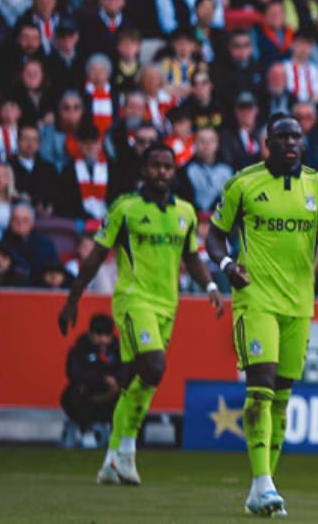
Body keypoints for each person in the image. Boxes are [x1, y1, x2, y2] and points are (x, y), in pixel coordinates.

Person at [205, 114, 318, 517]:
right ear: (266, 143)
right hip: (256, 300)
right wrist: (228, 265)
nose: (291, 143)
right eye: (282, 137)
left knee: (281, 399)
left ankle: (262, 484)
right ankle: (263, 483)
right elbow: (214, 235)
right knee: (260, 389)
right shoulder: (243, 183)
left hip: (299, 305)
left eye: (297, 137)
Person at [58, 143, 222, 485]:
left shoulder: (186, 213)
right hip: (134, 301)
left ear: (174, 171)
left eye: (167, 166)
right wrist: (73, 299)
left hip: (168, 305)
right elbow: (95, 255)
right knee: (153, 365)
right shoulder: (125, 208)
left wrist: (209, 287)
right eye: (155, 165)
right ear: (144, 170)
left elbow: (191, 257)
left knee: (143, 382)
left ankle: (118, 458)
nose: (162, 172)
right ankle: (121, 381)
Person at [60, 313, 122, 449]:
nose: (102, 340)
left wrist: (117, 382)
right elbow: (74, 373)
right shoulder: (80, 348)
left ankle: (118, 435)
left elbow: (125, 370)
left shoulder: (118, 349)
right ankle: (86, 431)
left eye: (106, 336)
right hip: (86, 397)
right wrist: (102, 379)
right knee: (76, 391)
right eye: (98, 336)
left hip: (109, 398)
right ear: (91, 334)